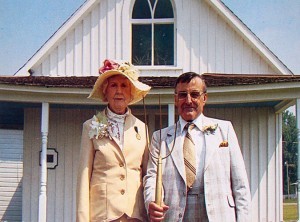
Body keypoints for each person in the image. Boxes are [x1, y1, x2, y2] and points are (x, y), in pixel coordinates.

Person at [144, 72, 251, 221]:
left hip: (219, 215)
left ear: (204, 98)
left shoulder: (224, 130)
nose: (188, 100)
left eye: (194, 94)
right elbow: (152, 178)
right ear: (175, 99)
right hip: (174, 215)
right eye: (182, 95)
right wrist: (152, 202)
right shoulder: (160, 138)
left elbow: (241, 186)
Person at [76, 59, 151, 222]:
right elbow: (83, 178)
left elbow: (148, 175)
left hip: (134, 216)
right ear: (105, 92)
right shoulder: (90, 126)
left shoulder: (142, 128)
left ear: (131, 93)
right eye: (113, 85)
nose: (119, 91)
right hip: (102, 216)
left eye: (124, 86)